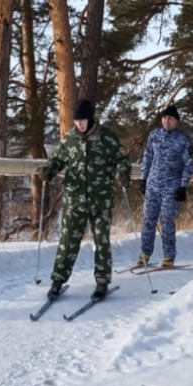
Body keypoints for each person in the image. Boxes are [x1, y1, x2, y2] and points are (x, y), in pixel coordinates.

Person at [37, 99, 132, 301]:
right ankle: (57, 281)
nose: (79, 124)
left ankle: (102, 281)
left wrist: (124, 174)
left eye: (83, 120)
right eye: (77, 121)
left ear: (90, 119)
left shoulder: (107, 139)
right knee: (68, 240)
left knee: (101, 241)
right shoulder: (70, 138)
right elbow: (57, 159)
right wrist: (48, 170)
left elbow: (122, 159)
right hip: (74, 200)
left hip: (101, 200)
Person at [136, 105, 193, 269]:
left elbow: (189, 164)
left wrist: (183, 186)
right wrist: (143, 179)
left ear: (176, 121)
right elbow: (147, 158)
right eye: (164, 118)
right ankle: (145, 254)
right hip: (152, 185)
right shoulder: (154, 136)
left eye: (170, 118)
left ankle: (169, 256)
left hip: (172, 186)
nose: (166, 120)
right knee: (148, 219)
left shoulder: (183, 139)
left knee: (167, 220)